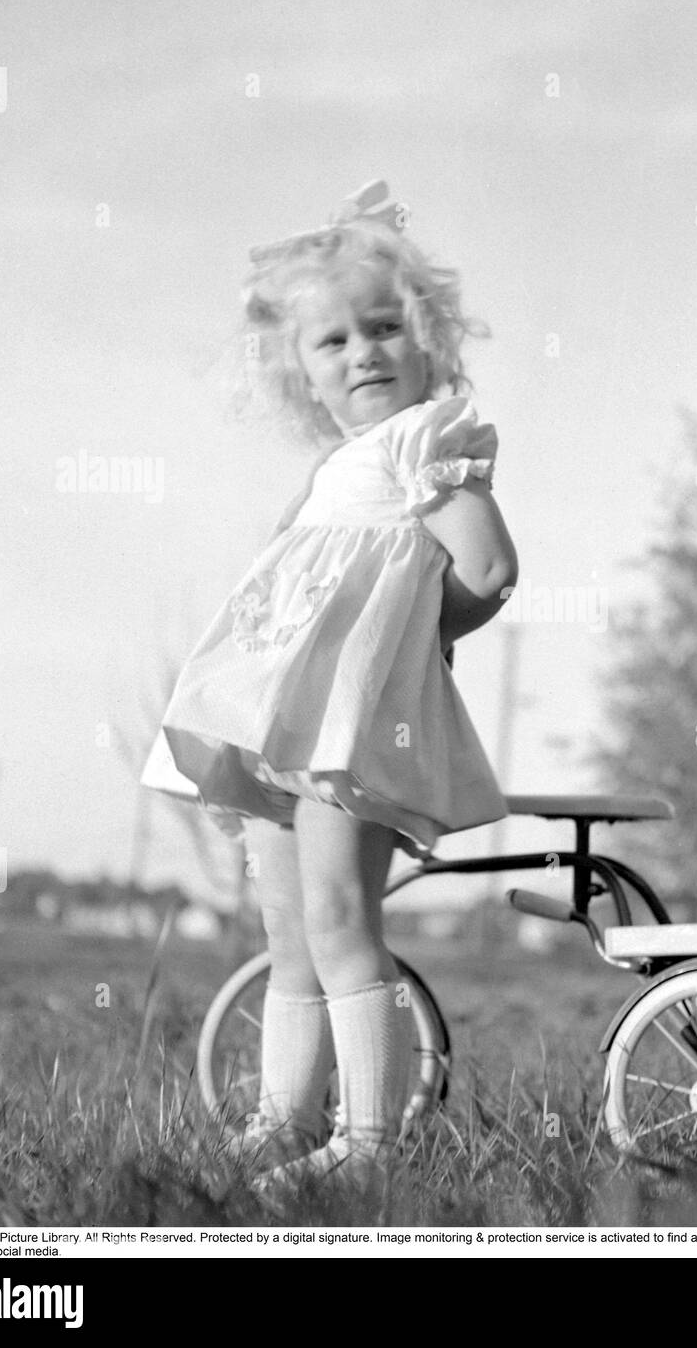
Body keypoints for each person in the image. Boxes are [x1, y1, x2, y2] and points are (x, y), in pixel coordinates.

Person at [147, 180, 518, 1191]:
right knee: (290, 927)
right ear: (300, 372)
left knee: (341, 918)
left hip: (347, 730)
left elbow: (484, 570)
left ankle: (367, 1143)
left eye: (386, 327)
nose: (363, 352)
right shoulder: (333, 469)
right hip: (281, 724)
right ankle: (283, 1111)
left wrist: (401, 649)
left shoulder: (422, 441)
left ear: (430, 338)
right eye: (334, 341)